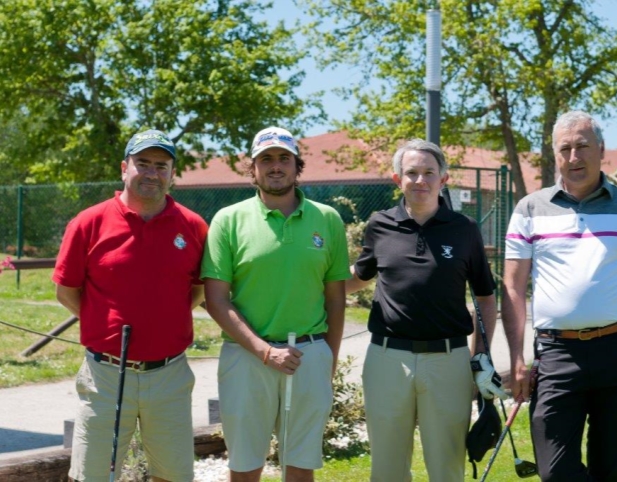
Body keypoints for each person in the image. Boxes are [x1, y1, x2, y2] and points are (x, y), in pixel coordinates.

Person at [501, 110, 617, 482]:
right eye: (565, 149)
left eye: (582, 146)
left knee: (614, 472)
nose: (574, 157)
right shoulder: (529, 210)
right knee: (554, 472)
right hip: (558, 356)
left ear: (601, 150)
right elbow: (513, 287)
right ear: (555, 155)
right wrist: (516, 358)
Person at [53, 129, 209, 482]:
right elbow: (66, 290)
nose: (152, 173)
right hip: (105, 375)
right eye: (143, 163)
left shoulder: (194, 226)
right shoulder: (88, 222)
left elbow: (196, 291)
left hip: (169, 375)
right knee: (91, 475)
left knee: (173, 475)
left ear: (172, 174)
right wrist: (100, 320)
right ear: (125, 168)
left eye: (161, 165)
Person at [346, 139, 503, 482]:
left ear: (444, 178)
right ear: (396, 179)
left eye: (429, 172)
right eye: (411, 173)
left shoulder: (465, 230)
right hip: (387, 360)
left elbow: (486, 298)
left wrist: (482, 357)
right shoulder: (379, 225)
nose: (420, 180)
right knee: (387, 470)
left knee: (447, 469)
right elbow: (358, 276)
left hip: (449, 362)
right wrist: (314, 283)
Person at [201, 126, 350, 482]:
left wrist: (327, 358)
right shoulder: (228, 220)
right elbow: (216, 300)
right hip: (246, 356)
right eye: (266, 159)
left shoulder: (327, 219)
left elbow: (336, 299)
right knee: (245, 465)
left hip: (309, 355)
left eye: (284, 158)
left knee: (300, 465)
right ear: (252, 168)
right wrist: (265, 351)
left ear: (297, 165)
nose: (275, 166)